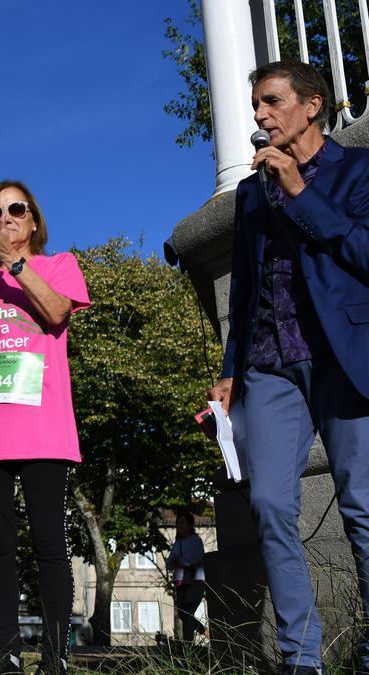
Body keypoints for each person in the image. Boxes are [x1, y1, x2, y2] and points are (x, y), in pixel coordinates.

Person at [206, 59, 369, 675]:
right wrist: (231, 370)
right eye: (254, 107)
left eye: (272, 102)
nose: (259, 116)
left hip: (343, 358)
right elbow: (242, 292)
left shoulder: (358, 171)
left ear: (313, 105)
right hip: (270, 366)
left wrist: (301, 191)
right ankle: (302, 660)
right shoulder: (251, 192)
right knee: (271, 503)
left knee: (362, 506)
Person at [0, 180, 90, 675]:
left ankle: (55, 656)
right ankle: (4, 653)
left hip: (42, 428)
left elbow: (57, 312)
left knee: (49, 542)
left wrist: (13, 263)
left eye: (15, 209)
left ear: (32, 222)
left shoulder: (57, 264)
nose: (4, 217)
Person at [165, 512, 205, 643]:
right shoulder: (178, 543)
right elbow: (169, 562)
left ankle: (188, 644)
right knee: (182, 612)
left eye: (182, 522)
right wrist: (175, 563)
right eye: (178, 523)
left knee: (187, 611)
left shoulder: (196, 541)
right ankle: (202, 630)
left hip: (195, 580)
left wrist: (180, 562)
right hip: (181, 581)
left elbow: (195, 558)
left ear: (189, 525)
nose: (179, 525)